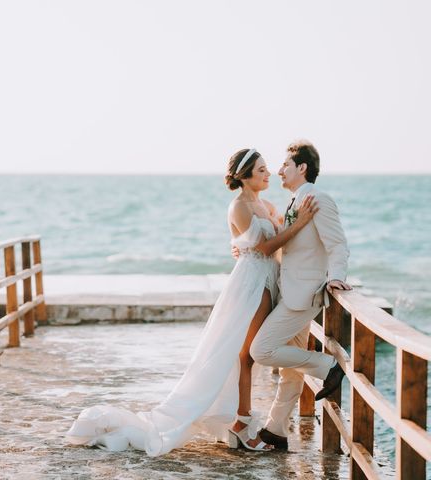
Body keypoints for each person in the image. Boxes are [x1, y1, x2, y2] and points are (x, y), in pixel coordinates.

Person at [66, 148, 318, 455]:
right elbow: (264, 248)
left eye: (268, 169)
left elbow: (276, 240)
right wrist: (300, 222)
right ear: (245, 176)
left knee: (248, 354)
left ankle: (239, 422)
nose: (268, 174)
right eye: (262, 170)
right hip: (251, 283)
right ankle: (241, 425)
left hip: (268, 280)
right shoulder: (238, 205)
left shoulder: (264, 204)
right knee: (245, 355)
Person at [249, 140, 351, 450]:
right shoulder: (297, 200)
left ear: (302, 168)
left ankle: (329, 367)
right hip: (289, 290)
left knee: (261, 350)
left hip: (304, 294)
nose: (279, 171)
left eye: (285, 166)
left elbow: (337, 245)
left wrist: (335, 278)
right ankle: (276, 429)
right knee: (291, 368)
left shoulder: (319, 199)